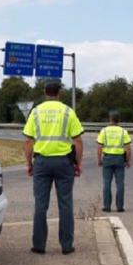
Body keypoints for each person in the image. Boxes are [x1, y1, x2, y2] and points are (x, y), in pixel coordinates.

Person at [23, 80, 84, 255]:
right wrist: (78, 163)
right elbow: (78, 140)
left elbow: (28, 140)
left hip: (42, 163)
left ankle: (39, 245)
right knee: (65, 204)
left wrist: (28, 163)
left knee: (40, 205)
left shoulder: (35, 113)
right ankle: (66, 245)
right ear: (59, 93)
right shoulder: (67, 112)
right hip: (64, 163)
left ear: (44, 92)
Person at [97, 110, 131, 212]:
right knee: (120, 183)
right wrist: (128, 160)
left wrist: (99, 159)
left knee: (107, 183)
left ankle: (107, 206)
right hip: (119, 159)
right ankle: (120, 206)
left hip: (107, 158)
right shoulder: (123, 131)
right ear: (118, 120)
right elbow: (128, 148)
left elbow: (99, 147)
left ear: (110, 119)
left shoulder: (104, 131)